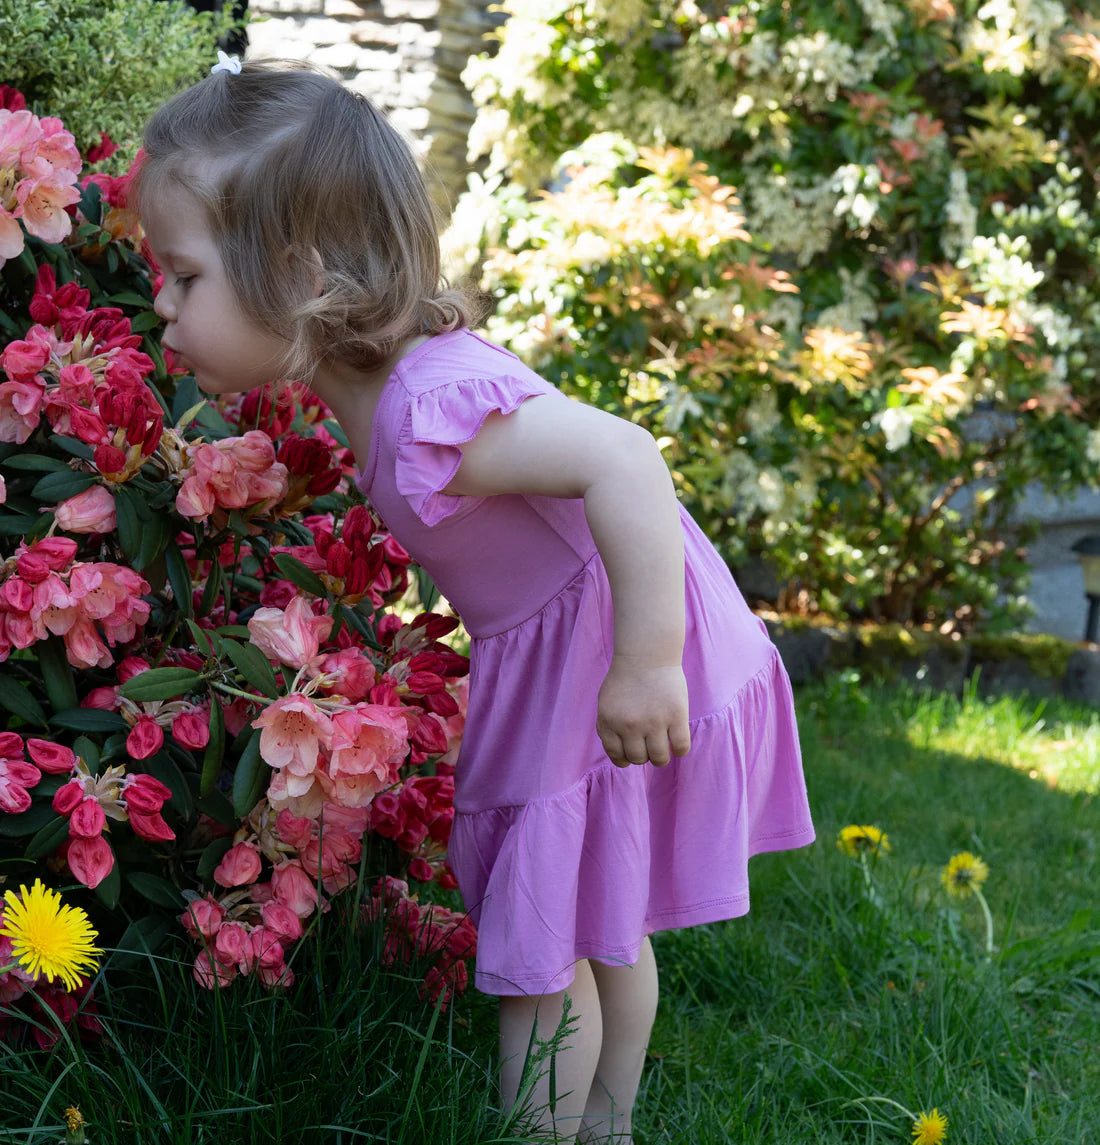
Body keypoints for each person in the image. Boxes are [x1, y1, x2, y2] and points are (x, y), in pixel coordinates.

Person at [135, 58, 816, 1145]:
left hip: (613, 644)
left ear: (298, 275)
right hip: (567, 646)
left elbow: (625, 458)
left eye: (183, 277)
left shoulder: (426, 406)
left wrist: (645, 663)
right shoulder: (384, 395)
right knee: (601, 920)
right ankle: (607, 1124)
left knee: (537, 952)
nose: (161, 306)